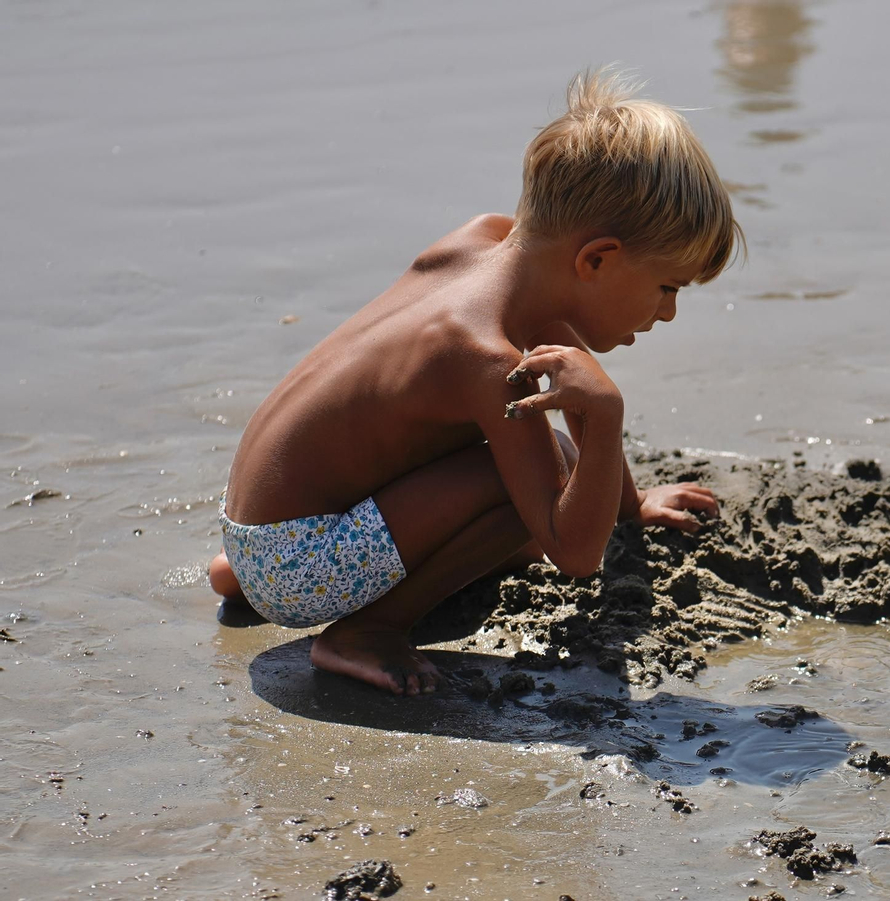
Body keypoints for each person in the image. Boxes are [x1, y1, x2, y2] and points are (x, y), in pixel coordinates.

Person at [207, 69, 741, 696]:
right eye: (667, 287)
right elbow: (574, 553)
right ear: (596, 260)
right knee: (535, 489)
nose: (668, 312)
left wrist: (630, 503)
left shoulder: (487, 243)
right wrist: (608, 419)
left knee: (535, 463)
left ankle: (244, 576)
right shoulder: (485, 356)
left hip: (257, 531)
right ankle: (365, 632)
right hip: (295, 564)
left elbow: (559, 354)